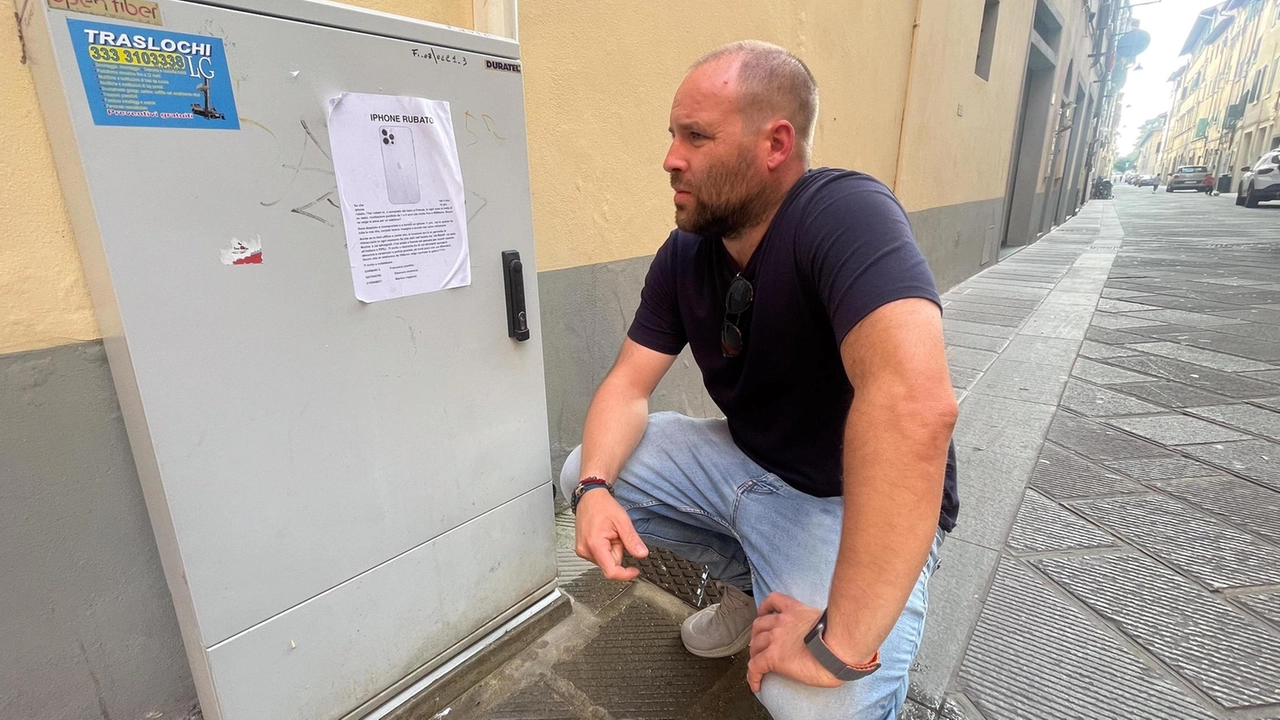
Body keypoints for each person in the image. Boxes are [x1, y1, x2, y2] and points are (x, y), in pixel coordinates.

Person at [561, 41, 959, 719]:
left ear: (775, 144)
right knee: (582, 472)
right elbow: (628, 386)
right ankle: (754, 593)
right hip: (747, 465)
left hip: (843, 502)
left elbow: (915, 407)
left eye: (696, 136)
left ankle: (869, 610)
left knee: (818, 705)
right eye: (672, 135)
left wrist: (839, 647)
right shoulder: (687, 252)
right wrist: (596, 489)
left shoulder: (840, 213)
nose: (670, 158)